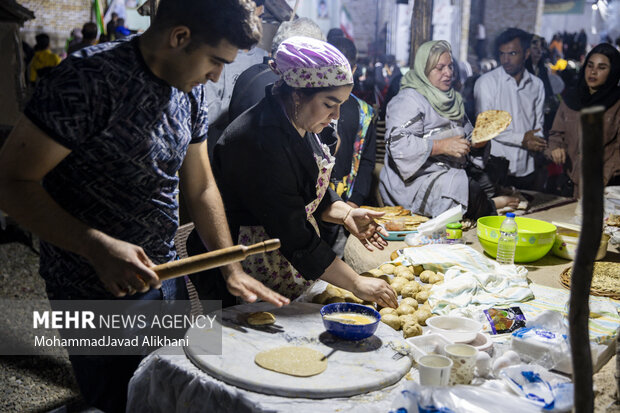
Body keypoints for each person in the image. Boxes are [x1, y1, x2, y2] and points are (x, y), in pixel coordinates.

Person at [0, 0, 289, 411]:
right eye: (214, 60)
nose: (217, 75)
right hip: (92, 287)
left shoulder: (188, 96)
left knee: (168, 389)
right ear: (179, 37)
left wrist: (231, 266)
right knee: (118, 399)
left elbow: (202, 185)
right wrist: (96, 246)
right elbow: (11, 182)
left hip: (165, 275)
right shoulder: (86, 80)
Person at [211, 36, 398, 308]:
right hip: (246, 264)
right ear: (298, 93)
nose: (336, 115)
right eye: (329, 104)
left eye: (341, 105)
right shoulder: (260, 141)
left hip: (282, 259)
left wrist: (345, 213)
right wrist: (356, 283)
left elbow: (309, 191)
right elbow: (293, 234)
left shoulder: (300, 122)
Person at [380, 40, 516, 219]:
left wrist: (477, 145)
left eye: (450, 67)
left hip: (449, 173)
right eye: (440, 68)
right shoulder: (408, 100)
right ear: (424, 69)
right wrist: (440, 146)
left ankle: (488, 204)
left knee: (488, 180)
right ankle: (494, 205)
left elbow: (467, 139)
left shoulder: (453, 101)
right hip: (413, 185)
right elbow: (398, 146)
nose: (448, 73)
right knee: (463, 187)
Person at [319, 36, 377, 253]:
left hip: (346, 196)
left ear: (353, 69)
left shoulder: (364, 113)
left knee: (338, 256)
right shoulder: (310, 106)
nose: (333, 113)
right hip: (313, 198)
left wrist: (355, 200)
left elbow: (367, 161)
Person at [475, 28, 546, 191]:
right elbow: (486, 128)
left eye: (512, 53)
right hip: (495, 168)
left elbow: (539, 125)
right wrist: (522, 138)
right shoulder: (487, 83)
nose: (505, 60)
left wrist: (537, 141)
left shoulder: (536, 85)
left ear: (526, 54)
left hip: (526, 168)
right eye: (502, 54)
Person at [546, 43, 620, 197]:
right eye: (590, 65)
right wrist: (556, 147)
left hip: (604, 189)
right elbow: (556, 134)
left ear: (612, 72)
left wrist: (604, 176)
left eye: (601, 68)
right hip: (569, 184)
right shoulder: (571, 99)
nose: (593, 72)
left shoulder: (617, 104)